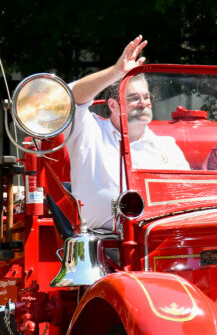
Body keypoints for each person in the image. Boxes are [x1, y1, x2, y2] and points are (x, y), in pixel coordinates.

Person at [68, 36, 189, 229]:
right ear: (113, 105)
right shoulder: (90, 133)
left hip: (159, 238)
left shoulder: (167, 146)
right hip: (102, 243)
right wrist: (116, 72)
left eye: (146, 96)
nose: (143, 103)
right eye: (134, 98)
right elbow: (70, 99)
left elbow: (187, 196)